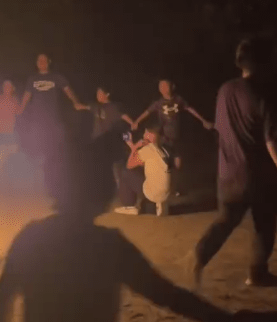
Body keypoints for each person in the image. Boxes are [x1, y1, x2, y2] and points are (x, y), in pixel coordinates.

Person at [0, 138, 276, 322]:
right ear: (99, 188)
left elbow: (3, 302)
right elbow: (166, 294)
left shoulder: (31, 238)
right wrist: (226, 320)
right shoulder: (107, 246)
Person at [191, 37, 277, 288]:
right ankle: (257, 273)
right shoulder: (264, 93)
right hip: (258, 176)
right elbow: (271, 140)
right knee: (264, 223)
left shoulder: (225, 89)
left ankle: (198, 257)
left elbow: (221, 129)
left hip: (228, 172)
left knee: (226, 220)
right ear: (263, 61)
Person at [132, 79, 213, 170]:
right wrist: (137, 122)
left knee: (178, 161)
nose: (162, 88)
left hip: (177, 135)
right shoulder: (158, 103)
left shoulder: (178, 100)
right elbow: (147, 112)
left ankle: (177, 176)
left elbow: (190, 109)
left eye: (164, 86)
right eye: (160, 87)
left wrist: (203, 120)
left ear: (172, 87)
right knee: (164, 159)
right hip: (164, 136)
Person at [19, 53, 85, 163]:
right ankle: (37, 166)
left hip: (53, 116)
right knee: (37, 142)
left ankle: (53, 164)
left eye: (44, 60)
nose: (42, 62)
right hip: (37, 117)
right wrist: (21, 108)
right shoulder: (32, 79)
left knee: (52, 143)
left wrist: (76, 102)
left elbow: (68, 90)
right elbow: (27, 95)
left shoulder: (56, 77)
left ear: (49, 62)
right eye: (39, 60)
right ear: (37, 63)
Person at [77, 86, 135, 185]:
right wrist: (79, 106)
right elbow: (86, 107)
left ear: (107, 94)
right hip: (97, 140)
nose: (98, 95)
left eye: (100, 93)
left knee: (116, 165)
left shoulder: (114, 107)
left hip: (109, 141)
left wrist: (132, 123)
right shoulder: (97, 106)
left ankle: (121, 185)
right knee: (98, 164)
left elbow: (123, 115)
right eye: (97, 93)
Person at [114, 125, 172, 216]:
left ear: (147, 139)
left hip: (153, 192)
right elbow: (141, 163)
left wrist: (135, 147)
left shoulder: (147, 149)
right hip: (166, 194)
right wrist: (133, 146)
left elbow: (129, 165)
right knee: (141, 172)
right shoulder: (163, 150)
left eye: (144, 137)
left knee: (125, 171)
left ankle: (129, 207)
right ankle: (160, 204)